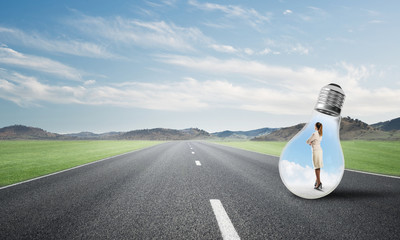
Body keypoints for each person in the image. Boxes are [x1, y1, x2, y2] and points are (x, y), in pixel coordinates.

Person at [306, 122, 323, 190]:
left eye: (314, 125)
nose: (314, 126)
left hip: (315, 151)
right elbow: (316, 141)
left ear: (316, 127)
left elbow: (307, 141)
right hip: (320, 151)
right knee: (318, 166)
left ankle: (319, 183)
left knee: (316, 167)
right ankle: (317, 181)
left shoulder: (314, 134)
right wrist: (312, 142)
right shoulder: (320, 134)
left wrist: (311, 142)